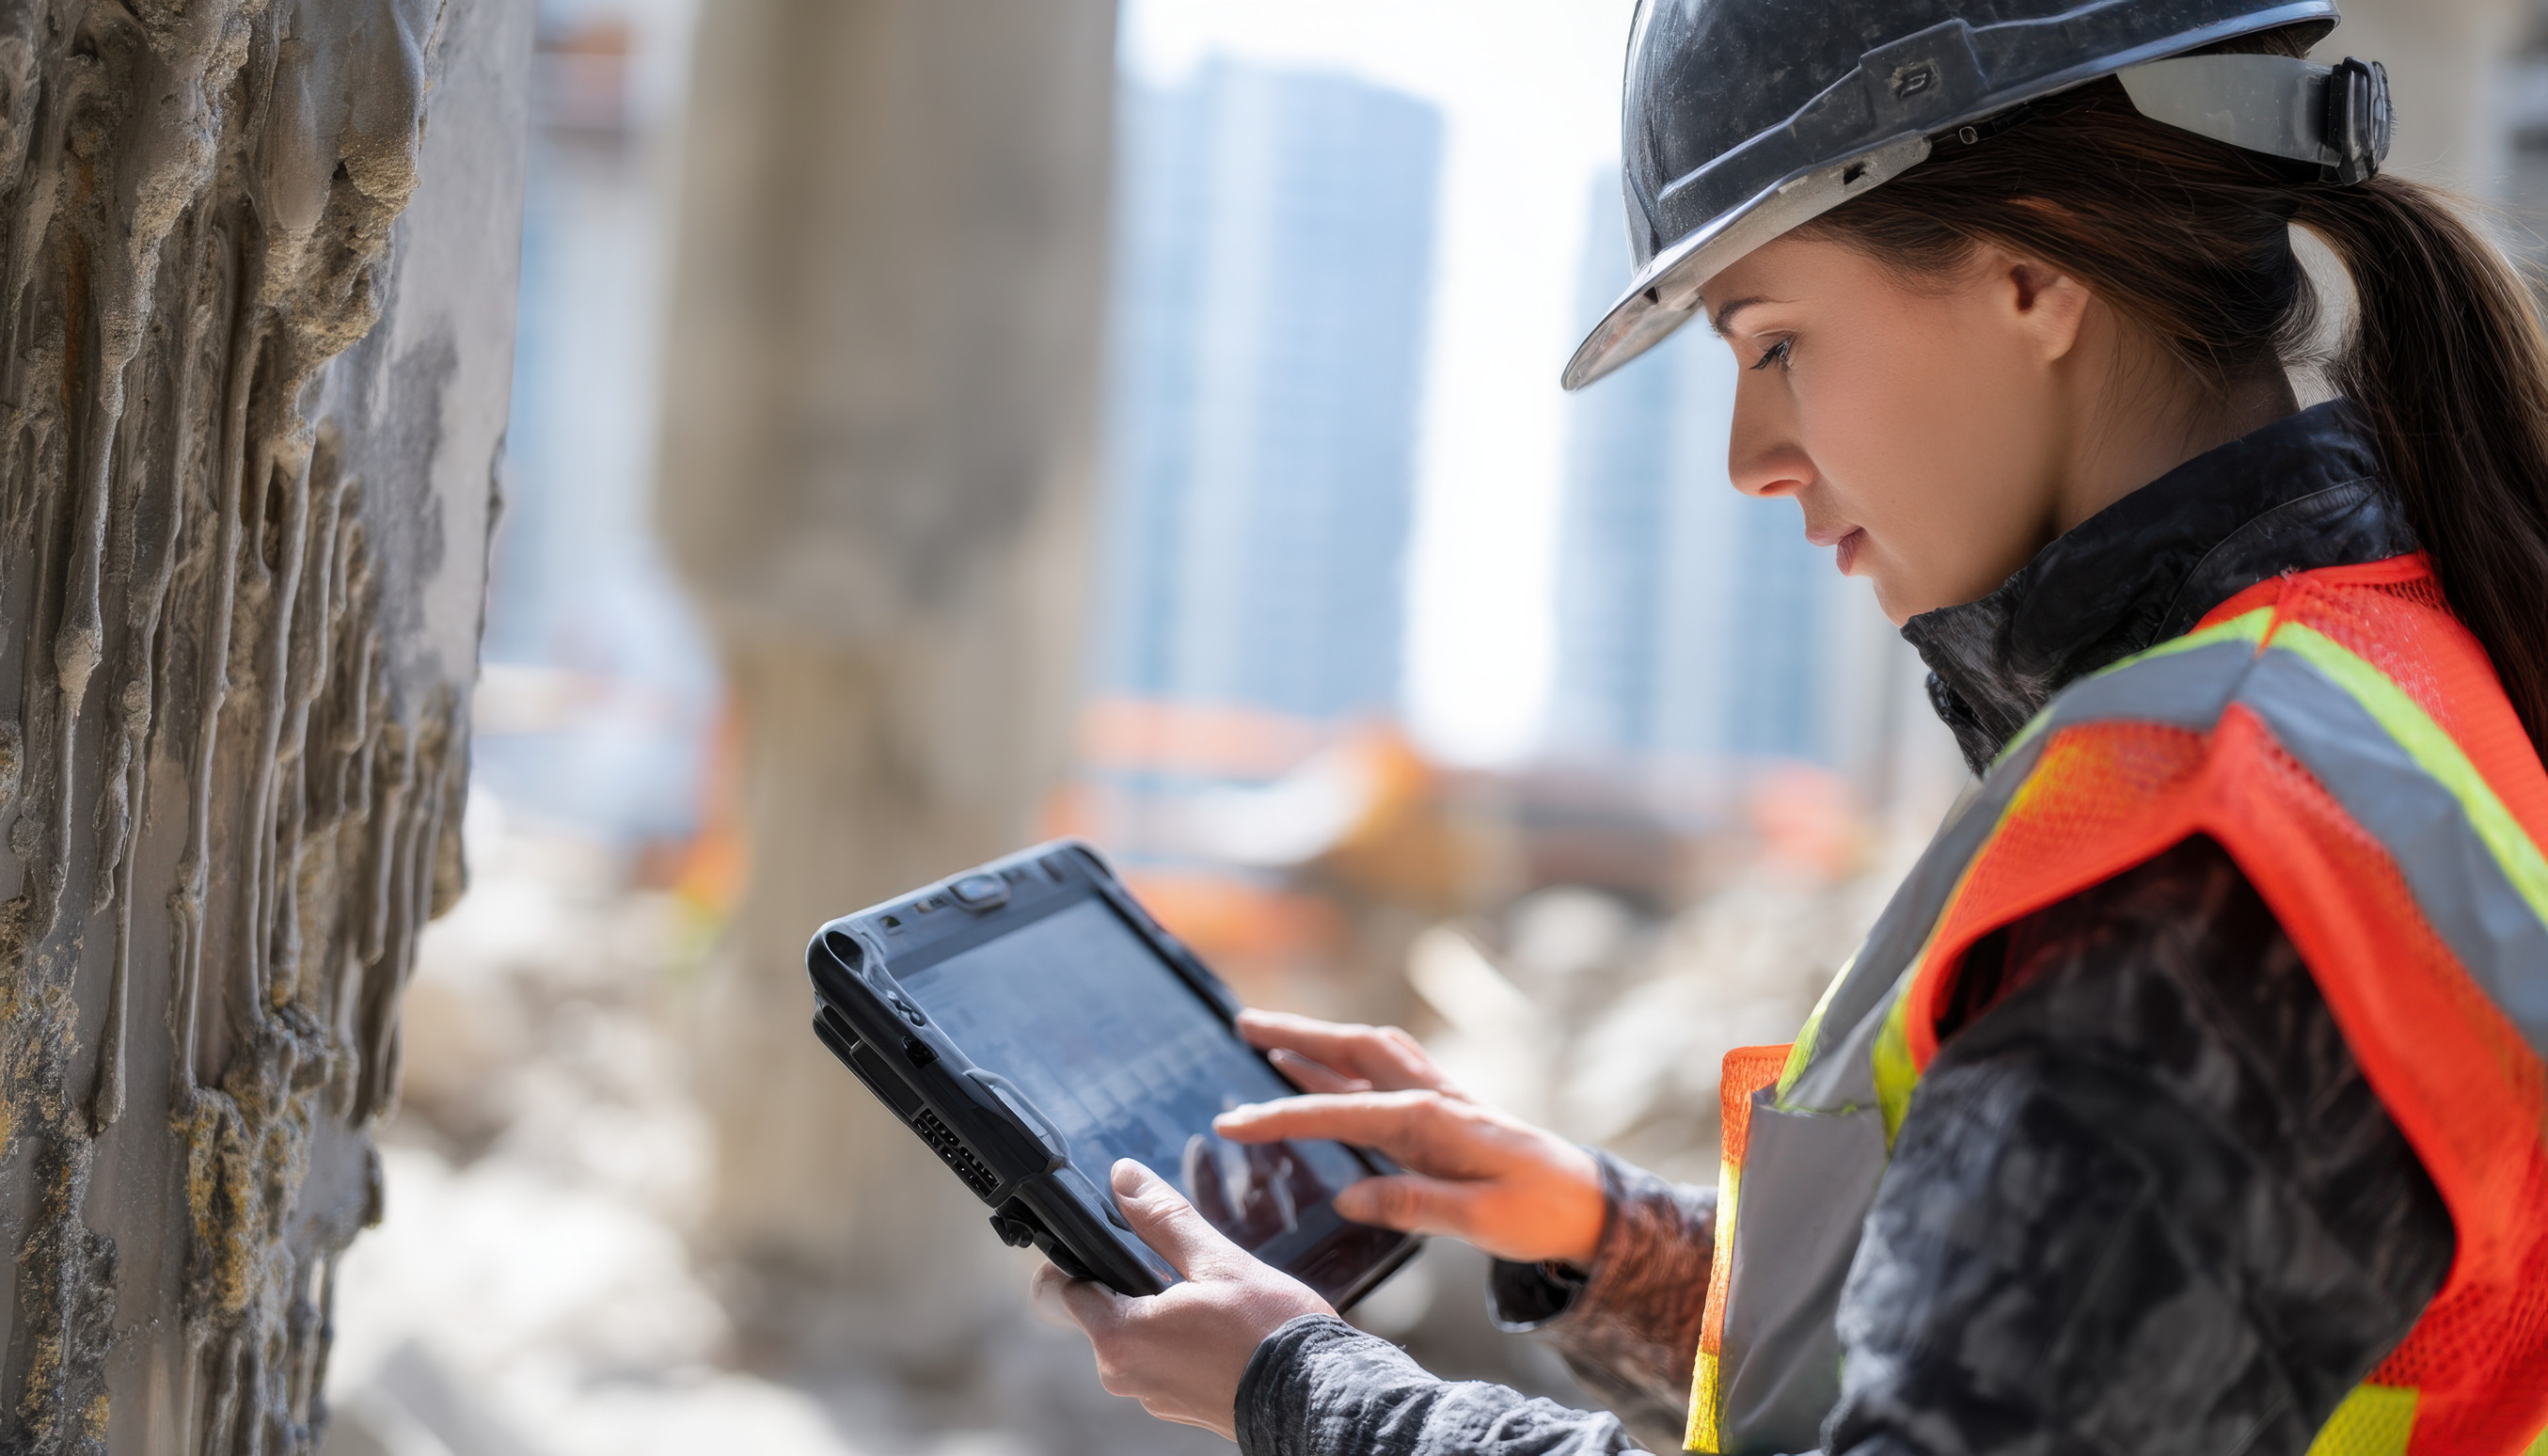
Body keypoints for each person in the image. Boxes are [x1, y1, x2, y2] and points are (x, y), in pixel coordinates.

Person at [1035, 1, 2548, 1451]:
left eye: (1772, 345)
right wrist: (1601, 1240)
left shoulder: (2200, 852)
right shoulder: (2358, 684)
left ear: (2032, 281)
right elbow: (2060, 1361)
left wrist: (1300, 1391)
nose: (1750, 458)